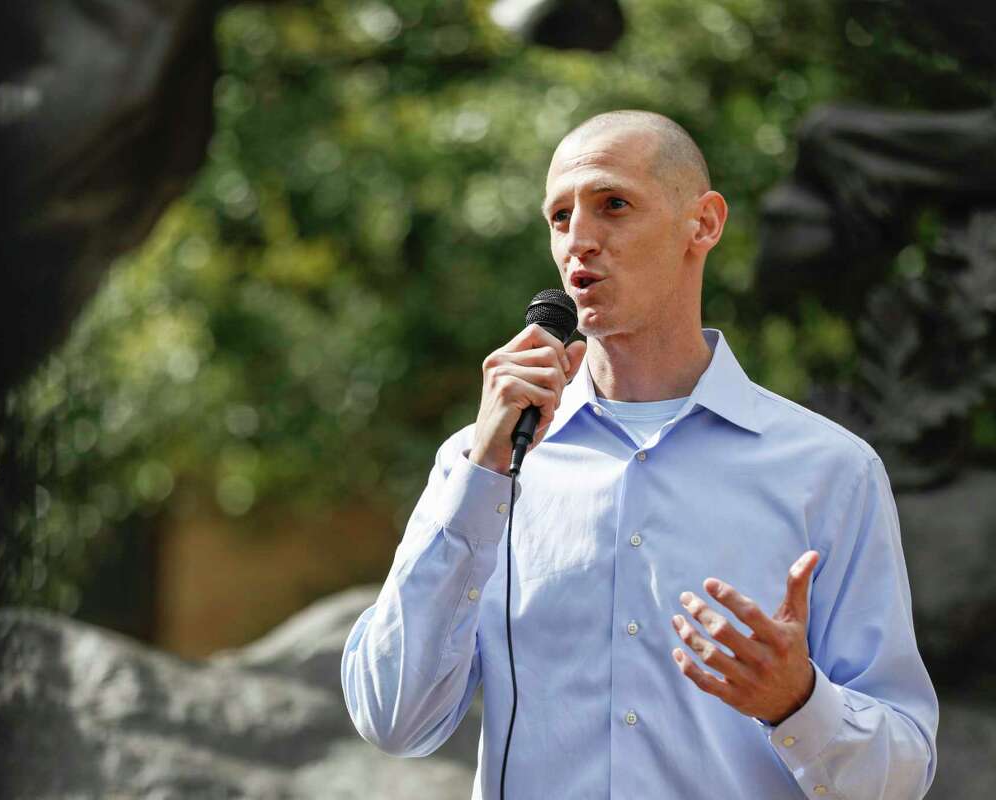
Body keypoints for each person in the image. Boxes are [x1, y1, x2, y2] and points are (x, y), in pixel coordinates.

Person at [341, 110, 938, 799]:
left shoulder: (831, 470)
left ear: (704, 224)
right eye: (559, 217)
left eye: (613, 205)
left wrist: (798, 702)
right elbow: (392, 720)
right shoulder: (483, 460)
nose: (578, 242)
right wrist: (481, 475)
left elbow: (901, 776)